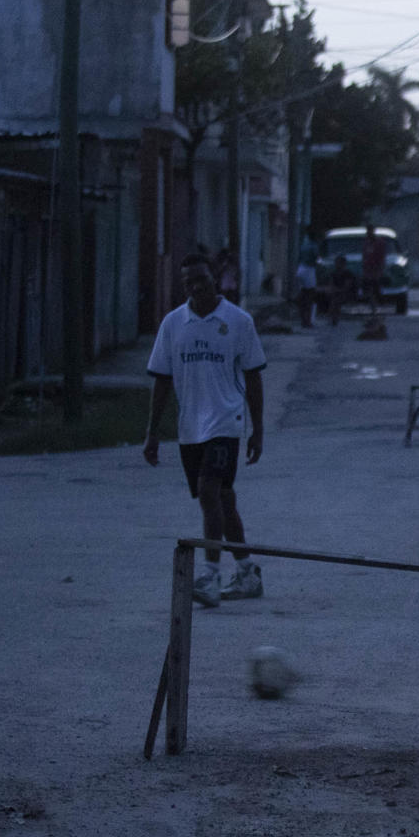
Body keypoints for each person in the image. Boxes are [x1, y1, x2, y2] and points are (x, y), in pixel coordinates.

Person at [144, 252, 267, 607]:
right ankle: (246, 571)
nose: (196, 287)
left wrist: (258, 429)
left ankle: (210, 577)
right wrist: (152, 432)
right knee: (222, 501)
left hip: (226, 423)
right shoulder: (173, 324)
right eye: (188, 282)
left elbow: (254, 376)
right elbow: (163, 381)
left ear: (215, 279)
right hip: (190, 429)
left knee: (209, 492)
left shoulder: (238, 321)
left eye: (201, 279)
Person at [359, 229, 387, 313]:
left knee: (375, 287)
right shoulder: (366, 243)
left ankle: (377, 303)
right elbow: (365, 255)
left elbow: (382, 256)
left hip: (376, 268)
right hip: (368, 269)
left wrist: (380, 268)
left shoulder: (379, 243)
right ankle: (373, 307)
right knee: (369, 288)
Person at [328, 258, 358, 326]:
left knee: (336, 300)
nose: (336, 265)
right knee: (333, 299)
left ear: (343, 264)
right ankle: (333, 318)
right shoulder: (333, 273)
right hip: (337, 292)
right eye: (336, 263)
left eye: (338, 263)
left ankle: (334, 318)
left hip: (349, 293)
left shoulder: (348, 273)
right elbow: (331, 284)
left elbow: (347, 287)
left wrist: (336, 290)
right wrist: (334, 290)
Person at [293, 255, 317, 328]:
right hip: (306, 288)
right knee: (306, 305)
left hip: (307, 287)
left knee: (306, 305)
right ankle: (306, 321)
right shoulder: (306, 268)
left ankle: (306, 321)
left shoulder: (307, 268)